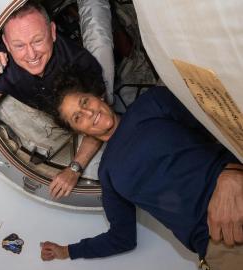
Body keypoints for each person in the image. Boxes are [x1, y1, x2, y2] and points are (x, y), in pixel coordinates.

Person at [40, 69, 243, 270]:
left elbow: (222, 122)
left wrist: (233, 172)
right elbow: (122, 238)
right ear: (79, 132)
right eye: (77, 117)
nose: (89, 113)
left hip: (236, 194)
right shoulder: (107, 174)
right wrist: (67, 251)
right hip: (219, 244)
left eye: (85, 102)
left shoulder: (151, 103)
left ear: (98, 95)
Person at [0, 1, 107, 199]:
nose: (31, 54)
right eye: (19, 45)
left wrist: (74, 168)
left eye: (38, 41)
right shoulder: (3, 62)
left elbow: (101, 123)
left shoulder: (81, 65)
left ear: (52, 31)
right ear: (6, 44)